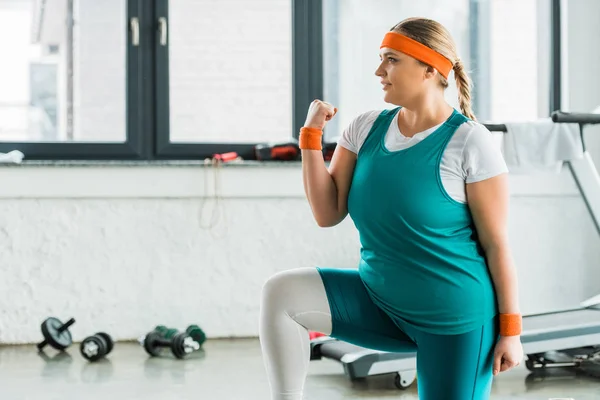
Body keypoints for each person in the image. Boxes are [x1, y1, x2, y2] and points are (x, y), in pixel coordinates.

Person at [259, 17, 524, 400]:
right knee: (282, 293)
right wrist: (310, 138)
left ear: (430, 68)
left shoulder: (469, 142)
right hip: (380, 302)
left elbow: (497, 245)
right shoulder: (365, 128)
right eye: (381, 59)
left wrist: (511, 332)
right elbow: (327, 212)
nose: (379, 71)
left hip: (454, 319)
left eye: (392, 60)